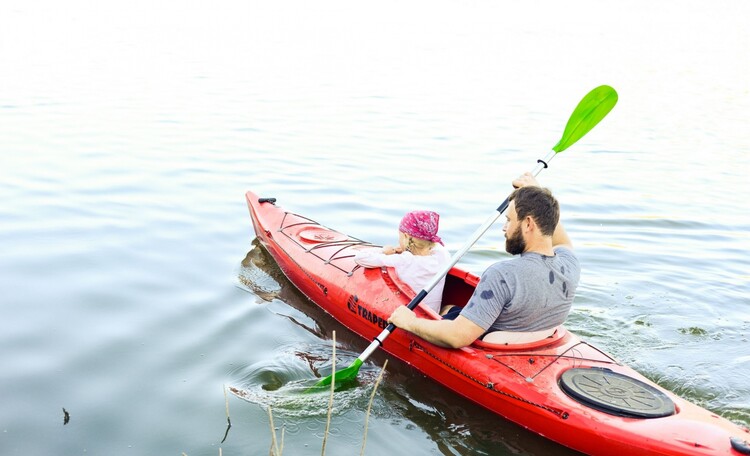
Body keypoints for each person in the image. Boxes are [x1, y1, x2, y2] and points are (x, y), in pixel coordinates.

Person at [388, 172, 580, 348]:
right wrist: (536, 194)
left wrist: (409, 322)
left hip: (492, 344)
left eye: (509, 220)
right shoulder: (570, 263)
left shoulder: (502, 274)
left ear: (528, 223)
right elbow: (559, 238)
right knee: (450, 309)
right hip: (535, 341)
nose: (504, 228)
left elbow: (457, 337)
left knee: (446, 315)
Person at [353, 210, 451, 313]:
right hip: (432, 314)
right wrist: (408, 249)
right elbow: (428, 249)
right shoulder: (443, 254)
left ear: (406, 237)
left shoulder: (404, 260)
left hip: (409, 318)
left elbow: (360, 258)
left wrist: (383, 251)